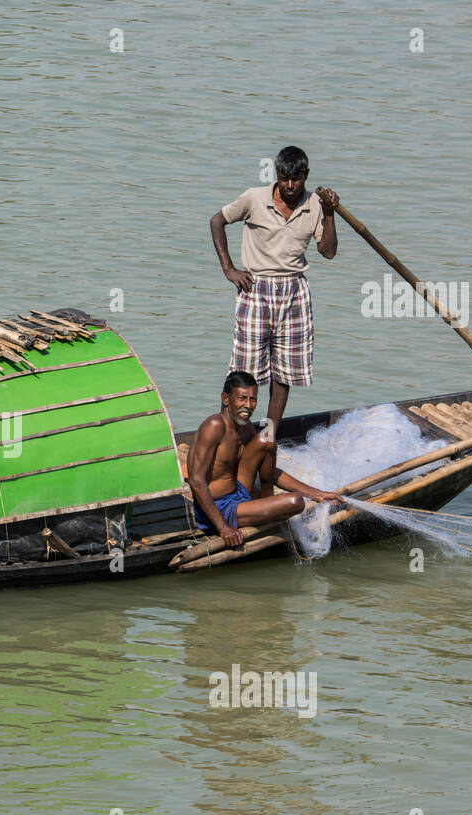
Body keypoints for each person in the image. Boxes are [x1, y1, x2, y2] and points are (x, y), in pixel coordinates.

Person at [209, 146, 338, 431]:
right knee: (244, 369)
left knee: (285, 371)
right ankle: (226, 433)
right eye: (284, 178)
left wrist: (329, 214)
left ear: (306, 176)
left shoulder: (315, 204)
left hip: (294, 291)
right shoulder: (254, 198)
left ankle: (269, 433)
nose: (290, 186)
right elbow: (217, 221)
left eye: (297, 179)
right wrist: (229, 269)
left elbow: (328, 252)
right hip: (256, 288)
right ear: (276, 175)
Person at [187, 370, 343, 548]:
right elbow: (196, 481)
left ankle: (264, 501)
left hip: (239, 492)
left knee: (266, 440)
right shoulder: (214, 426)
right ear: (226, 399)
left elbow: (270, 470)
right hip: (220, 508)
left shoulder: (244, 428)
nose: (248, 405)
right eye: (241, 398)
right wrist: (224, 528)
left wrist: (316, 493)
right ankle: (261, 507)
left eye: (252, 399)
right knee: (296, 502)